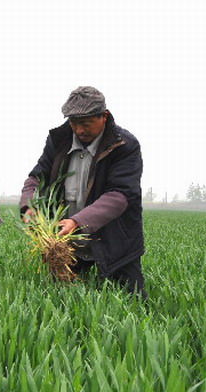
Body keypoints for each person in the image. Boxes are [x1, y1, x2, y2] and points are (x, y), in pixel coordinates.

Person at [19, 86, 146, 299]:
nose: (78, 130)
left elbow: (120, 195)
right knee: (62, 302)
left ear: (104, 116)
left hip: (114, 238)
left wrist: (78, 222)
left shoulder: (124, 145)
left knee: (131, 300)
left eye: (86, 124)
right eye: (73, 123)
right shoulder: (59, 140)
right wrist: (29, 205)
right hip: (66, 241)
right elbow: (37, 177)